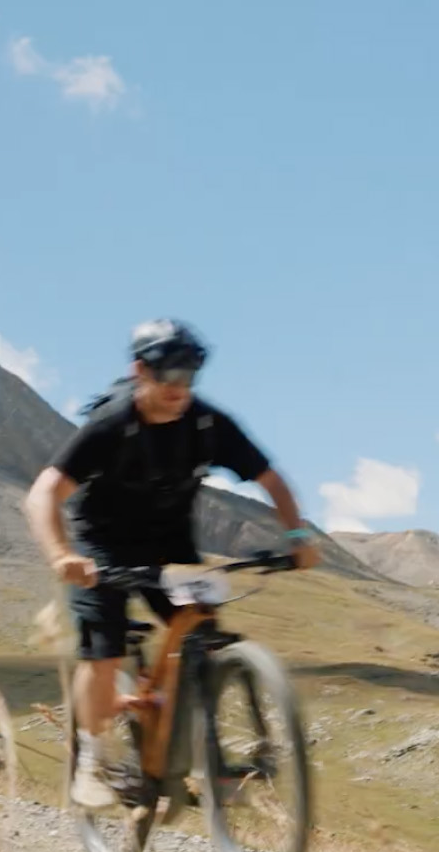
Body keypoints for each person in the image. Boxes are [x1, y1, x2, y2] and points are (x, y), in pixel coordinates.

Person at [23, 318, 320, 810]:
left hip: (171, 545)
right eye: (170, 376)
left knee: (202, 639)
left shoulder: (208, 424)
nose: (180, 388)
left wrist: (296, 536)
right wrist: (61, 555)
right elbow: (43, 494)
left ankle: (204, 760)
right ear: (141, 370)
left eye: (190, 376)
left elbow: (271, 480)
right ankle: (92, 762)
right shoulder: (112, 424)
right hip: (102, 545)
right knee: (106, 649)